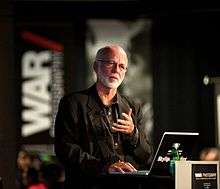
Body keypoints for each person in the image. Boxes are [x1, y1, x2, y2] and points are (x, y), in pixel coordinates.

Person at [54, 44, 153, 188]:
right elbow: (65, 149)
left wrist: (134, 134)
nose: (116, 70)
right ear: (95, 66)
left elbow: (146, 155)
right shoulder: (73, 103)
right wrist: (104, 167)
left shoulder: (133, 107)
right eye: (110, 63)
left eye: (121, 66)